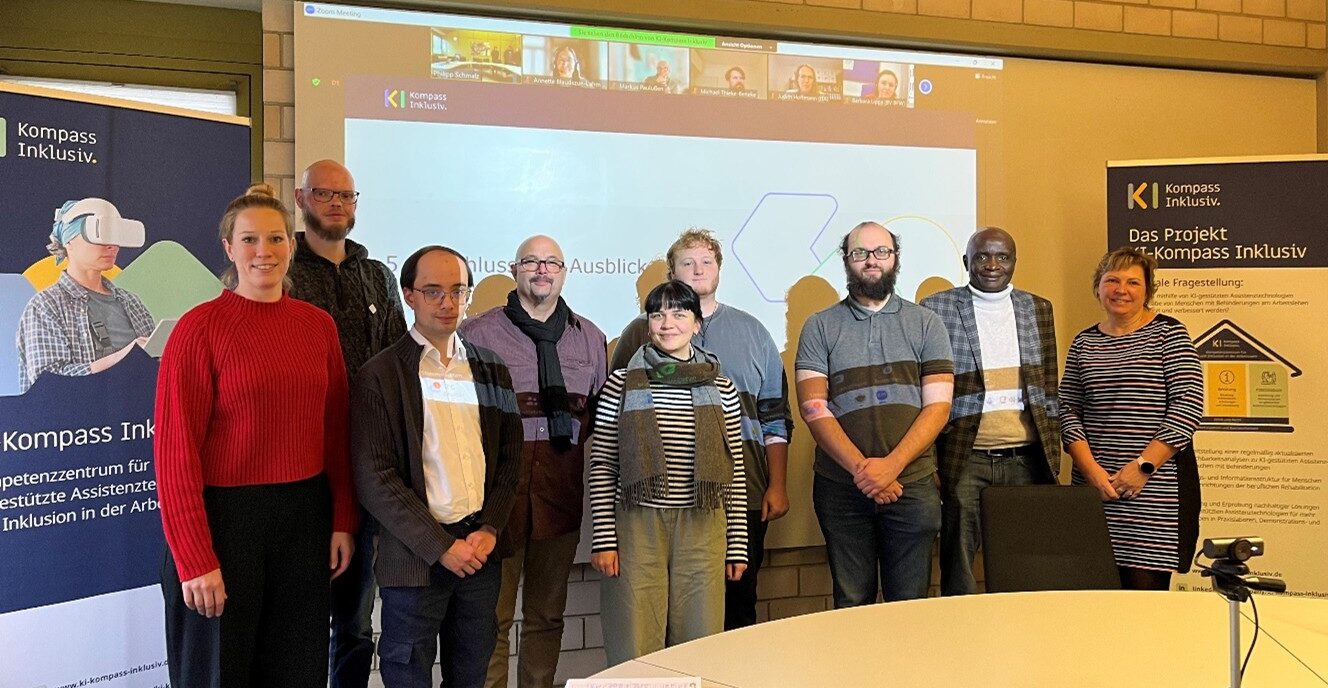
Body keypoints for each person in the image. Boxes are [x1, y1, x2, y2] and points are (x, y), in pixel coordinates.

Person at [154, 185, 358, 687]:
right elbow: (176, 454)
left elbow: (336, 430)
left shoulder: (318, 327)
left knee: (297, 671)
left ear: (291, 245)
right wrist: (194, 559)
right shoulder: (198, 330)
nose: (263, 251)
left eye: (275, 238)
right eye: (249, 239)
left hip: (304, 521)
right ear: (228, 248)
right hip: (224, 524)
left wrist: (342, 520)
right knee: (218, 673)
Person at [350, 245, 521, 688]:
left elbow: (509, 459)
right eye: (433, 291)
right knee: (408, 676)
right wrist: (441, 546)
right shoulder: (380, 375)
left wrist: (490, 528)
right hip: (414, 560)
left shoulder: (492, 369)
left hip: (480, 554)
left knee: (472, 675)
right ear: (409, 295)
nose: (448, 303)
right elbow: (375, 479)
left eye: (458, 291)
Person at [610, 229, 791, 630]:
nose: (697, 270)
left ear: (719, 270)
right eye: (687, 263)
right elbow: (615, 419)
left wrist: (777, 485)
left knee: (738, 604)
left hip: (740, 491)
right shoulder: (639, 333)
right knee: (663, 615)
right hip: (657, 502)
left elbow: (775, 416)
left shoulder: (754, 332)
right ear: (671, 272)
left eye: (706, 262)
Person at [460, 235, 607, 688]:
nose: (542, 270)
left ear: (564, 272)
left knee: (547, 617)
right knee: (491, 621)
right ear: (514, 270)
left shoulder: (592, 339)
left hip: (559, 500)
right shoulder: (476, 334)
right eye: (531, 262)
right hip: (494, 508)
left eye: (551, 263)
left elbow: (596, 420)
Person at [288, 159, 407, 688]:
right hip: (301, 468)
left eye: (346, 195)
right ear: (300, 199)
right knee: (298, 620)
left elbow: (400, 362)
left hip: (367, 471)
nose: (336, 203)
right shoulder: (282, 270)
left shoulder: (377, 275)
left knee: (355, 623)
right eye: (324, 194)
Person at [795, 221, 953, 606]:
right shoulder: (819, 326)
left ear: (895, 258)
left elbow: (938, 407)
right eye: (860, 253)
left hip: (911, 485)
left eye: (881, 251)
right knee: (851, 603)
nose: (871, 261)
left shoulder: (927, 323)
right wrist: (864, 472)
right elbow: (813, 408)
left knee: (910, 605)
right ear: (846, 260)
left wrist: (891, 467)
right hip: (841, 488)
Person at [590, 280, 748, 664]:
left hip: (703, 522)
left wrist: (738, 543)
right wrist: (604, 538)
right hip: (637, 523)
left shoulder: (723, 388)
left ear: (696, 323)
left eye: (679, 313)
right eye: (657, 314)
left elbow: (734, 471)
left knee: (700, 641)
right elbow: (603, 462)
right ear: (648, 324)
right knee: (633, 639)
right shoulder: (620, 384)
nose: (667, 323)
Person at [919, 227, 1061, 596]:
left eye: (1002, 256)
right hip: (965, 457)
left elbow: (1049, 386)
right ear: (967, 261)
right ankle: (961, 627)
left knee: (1025, 562)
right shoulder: (936, 308)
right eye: (982, 256)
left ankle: (1020, 625)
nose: (992, 265)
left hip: (1025, 459)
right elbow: (926, 394)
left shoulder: (1038, 308)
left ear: (1015, 261)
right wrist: (930, 460)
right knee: (959, 561)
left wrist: (1053, 454)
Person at [1061, 246, 1202, 590]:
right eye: (1112, 280)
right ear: (1098, 288)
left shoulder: (1169, 334)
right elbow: (1067, 410)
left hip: (1154, 494)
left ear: (1147, 290)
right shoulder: (1084, 342)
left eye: (1132, 282)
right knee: (1093, 601)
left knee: (1144, 602)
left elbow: (1187, 406)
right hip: (1095, 491)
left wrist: (1142, 468)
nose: (1121, 290)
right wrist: (1091, 471)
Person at [17, 198, 154, 393]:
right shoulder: (45, 306)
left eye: (115, 235)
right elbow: (48, 385)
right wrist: (126, 355)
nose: (112, 245)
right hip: (81, 413)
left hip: (139, 411)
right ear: (69, 241)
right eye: (100, 234)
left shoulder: (131, 302)